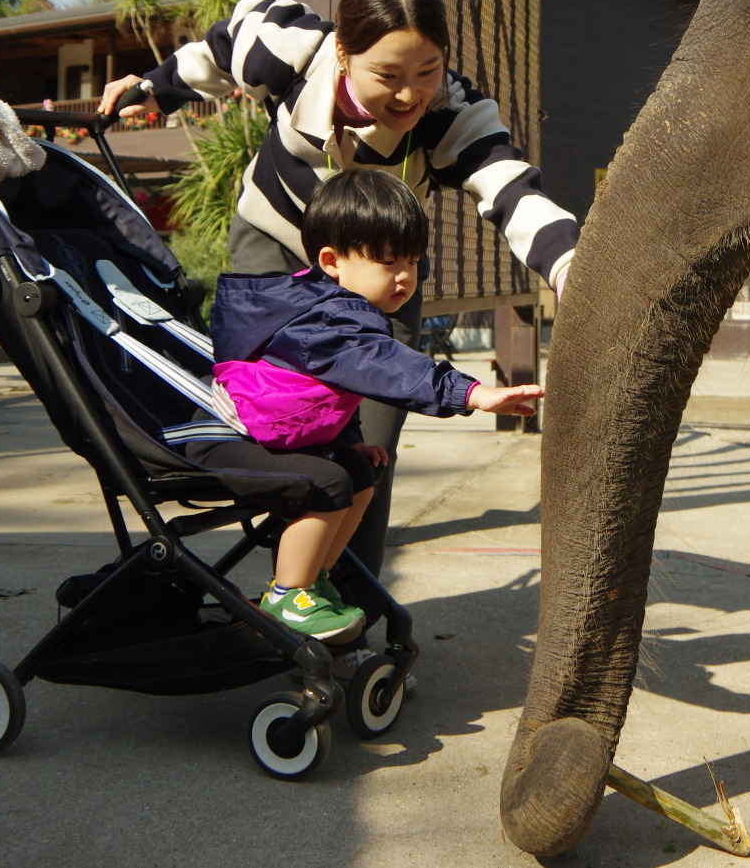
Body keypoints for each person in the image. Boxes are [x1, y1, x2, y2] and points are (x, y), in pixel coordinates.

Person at [98, 0, 578, 575]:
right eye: (388, 75)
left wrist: (572, 270)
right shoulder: (292, 50)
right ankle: (288, 586)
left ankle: (346, 611)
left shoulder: (449, 112)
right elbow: (222, 47)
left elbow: (512, 189)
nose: (409, 94)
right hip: (274, 259)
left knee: (367, 447)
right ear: (344, 55)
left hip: (377, 283)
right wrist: (152, 87)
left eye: (428, 70)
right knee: (270, 425)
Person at [188, 170, 544, 641]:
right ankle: (286, 594)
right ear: (332, 261)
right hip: (229, 433)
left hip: (271, 429)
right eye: (388, 261)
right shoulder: (329, 323)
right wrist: (472, 394)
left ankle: (314, 579)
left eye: (413, 261)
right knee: (327, 482)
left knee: (359, 474)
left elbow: (331, 395)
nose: (405, 276)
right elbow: (389, 368)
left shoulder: (340, 310)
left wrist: (348, 440)